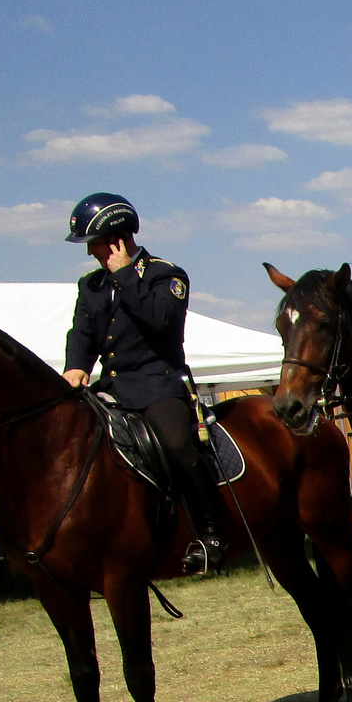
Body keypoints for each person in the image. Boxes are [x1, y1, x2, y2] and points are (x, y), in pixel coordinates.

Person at [61, 193, 228, 574]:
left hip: (158, 385)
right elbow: (82, 334)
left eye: (95, 244)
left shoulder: (166, 275)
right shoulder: (91, 286)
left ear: (118, 237)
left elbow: (160, 321)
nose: (91, 254)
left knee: (178, 445)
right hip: (112, 388)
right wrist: (76, 366)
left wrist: (124, 276)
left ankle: (212, 534)